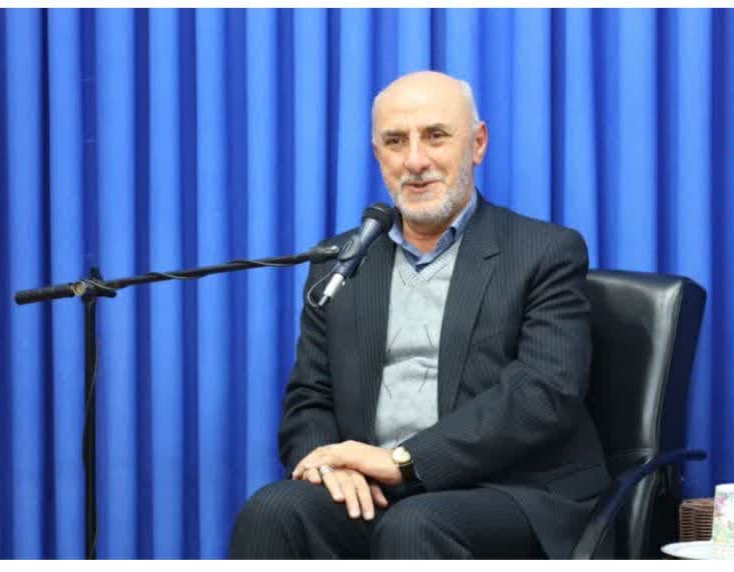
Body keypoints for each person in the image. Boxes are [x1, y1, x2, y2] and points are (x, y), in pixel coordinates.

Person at [229, 70, 611, 559]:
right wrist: (329, 466)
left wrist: (404, 462)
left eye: (435, 136)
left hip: (510, 489)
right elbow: (310, 396)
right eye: (395, 141)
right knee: (273, 511)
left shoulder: (545, 251)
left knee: (413, 526)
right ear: (378, 155)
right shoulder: (342, 261)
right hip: (378, 491)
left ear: (477, 144)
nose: (414, 160)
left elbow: (542, 394)